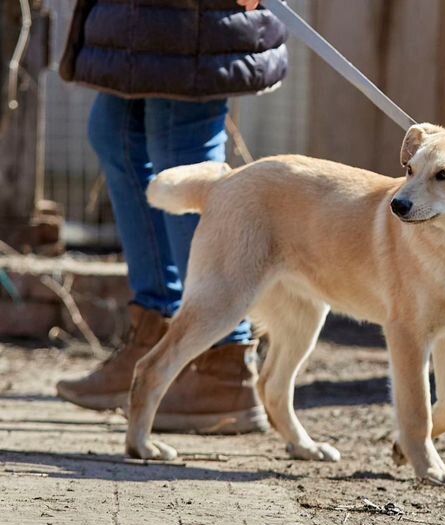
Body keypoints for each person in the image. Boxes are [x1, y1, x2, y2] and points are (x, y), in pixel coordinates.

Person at [55, 0, 286, 434]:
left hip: (197, 16)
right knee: (116, 133)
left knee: (181, 144)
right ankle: (157, 338)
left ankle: (223, 364)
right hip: (138, 16)